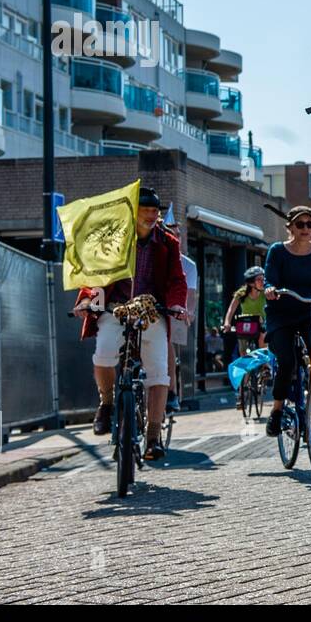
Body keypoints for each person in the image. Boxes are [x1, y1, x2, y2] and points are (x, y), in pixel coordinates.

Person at [75, 187, 187, 461]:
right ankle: (107, 402)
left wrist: (176, 304)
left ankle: (152, 436)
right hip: (116, 309)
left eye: (154, 211)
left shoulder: (168, 242)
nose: (151, 216)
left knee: (159, 373)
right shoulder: (114, 239)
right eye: (145, 210)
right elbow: (97, 276)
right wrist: (88, 300)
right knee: (103, 354)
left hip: (152, 312)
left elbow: (176, 279)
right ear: (133, 212)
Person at [263, 206, 311, 437]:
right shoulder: (277, 251)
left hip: (309, 312)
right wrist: (270, 288)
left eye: (309, 224)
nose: (305, 229)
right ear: (290, 227)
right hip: (281, 314)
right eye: (300, 224)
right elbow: (269, 278)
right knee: (287, 361)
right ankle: (277, 410)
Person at [163, 205, 197, 412]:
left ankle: (172, 392)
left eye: (177, 235)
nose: (174, 239)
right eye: (169, 234)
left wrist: (188, 311)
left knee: (168, 344)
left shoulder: (188, 265)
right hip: (155, 306)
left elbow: (189, 293)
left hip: (175, 310)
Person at [226, 266, 267, 408]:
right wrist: (226, 323)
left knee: (263, 337)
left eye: (263, 279)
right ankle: (242, 392)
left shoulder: (264, 293)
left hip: (261, 325)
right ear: (251, 283)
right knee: (243, 355)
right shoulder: (241, 294)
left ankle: (265, 367)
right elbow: (231, 309)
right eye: (259, 279)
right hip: (246, 327)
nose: (262, 282)